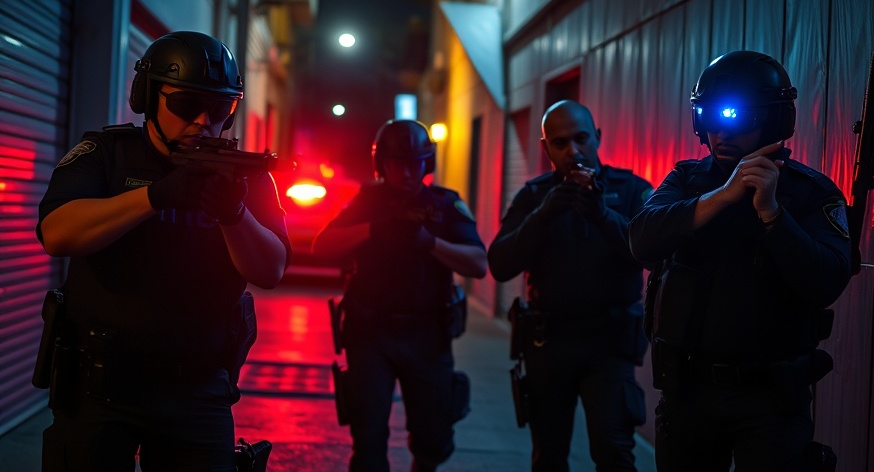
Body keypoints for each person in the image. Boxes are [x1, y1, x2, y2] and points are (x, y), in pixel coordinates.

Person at [36, 30, 291, 471]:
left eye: (220, 109)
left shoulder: (245, 179)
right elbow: (57, 234)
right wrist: (154, 197)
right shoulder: (104, 154)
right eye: (186, 105)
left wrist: (235, 214)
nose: (203, 122)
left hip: (196, 387)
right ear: (148, 97)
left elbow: (270, 270)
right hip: (98, 386)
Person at [628, 51, 852, 471]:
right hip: (688, 392)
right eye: (710, 116)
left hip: (771, 399)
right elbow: (642, 240)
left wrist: (772, 214)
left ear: (774, 120)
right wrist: (724, 197)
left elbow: (826, 281)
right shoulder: (686, 180)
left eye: (737, 117)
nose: (720, 130)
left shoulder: (811, 194)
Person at [311, 119, 487, 472]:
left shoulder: (445, 204)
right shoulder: (367, 202)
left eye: (415, 163)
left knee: (434, 438)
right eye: (398, 164)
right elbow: (322, 247)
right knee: (369, 437)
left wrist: (431, 242)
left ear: (427, 163)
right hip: (370, 333)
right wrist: (373, 229)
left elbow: (478, 264)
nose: (407, 172)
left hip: (427, 335)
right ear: (382, 165)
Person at [488, 100, 654, 472]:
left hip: (609, 345)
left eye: (580, 138)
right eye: (560, 143)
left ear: (596, 137)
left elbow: (652, 254)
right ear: (546, 148)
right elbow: (499, 264)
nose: (573, 151)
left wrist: (602, 215)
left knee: (614, 451)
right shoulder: (535, 196)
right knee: (548, 455)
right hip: (549, 343)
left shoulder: (630, 191)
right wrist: (544, 214)